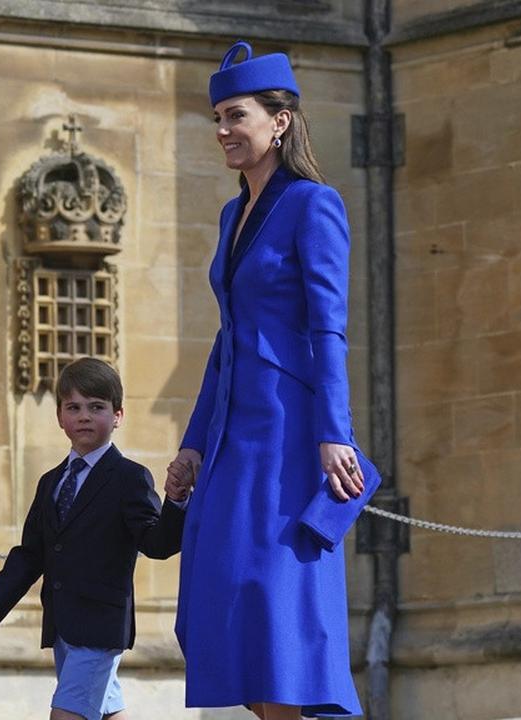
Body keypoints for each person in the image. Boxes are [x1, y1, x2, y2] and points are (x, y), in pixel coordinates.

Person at [168, 40, 367, 719]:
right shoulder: (231, 216)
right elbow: (229, 337)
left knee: (278, 614)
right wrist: (193, 441)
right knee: (225, 610)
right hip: (231, 437)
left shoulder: (315, 205)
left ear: (278, 121)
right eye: (217, 117)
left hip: (289, 436)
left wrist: (334, 437)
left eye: (237, 116)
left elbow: (328, 330)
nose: (223, 130)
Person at [0, 358, 188, 720]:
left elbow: (157, 543)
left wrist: (178, 501)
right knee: (106, 711)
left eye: (97, 407)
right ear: (60, 417)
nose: (85, 416)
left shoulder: (128, 478)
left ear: (118, 415)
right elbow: (31, 554)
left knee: (67, 714)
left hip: (100, 628)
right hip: (62, 623)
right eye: (74, 407)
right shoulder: (51, 482)